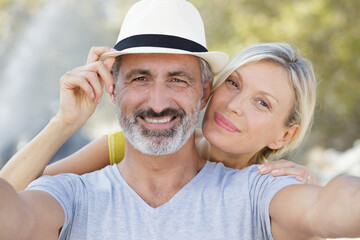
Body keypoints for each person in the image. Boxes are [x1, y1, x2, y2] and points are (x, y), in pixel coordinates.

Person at [0, 0, 359, 239]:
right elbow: (16, 198)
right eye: (233, 84)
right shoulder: (102, 166)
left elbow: (329, 207)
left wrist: (320, 190)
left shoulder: (263, 188)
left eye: (262, 104)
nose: (234, 105)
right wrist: (64, 122)